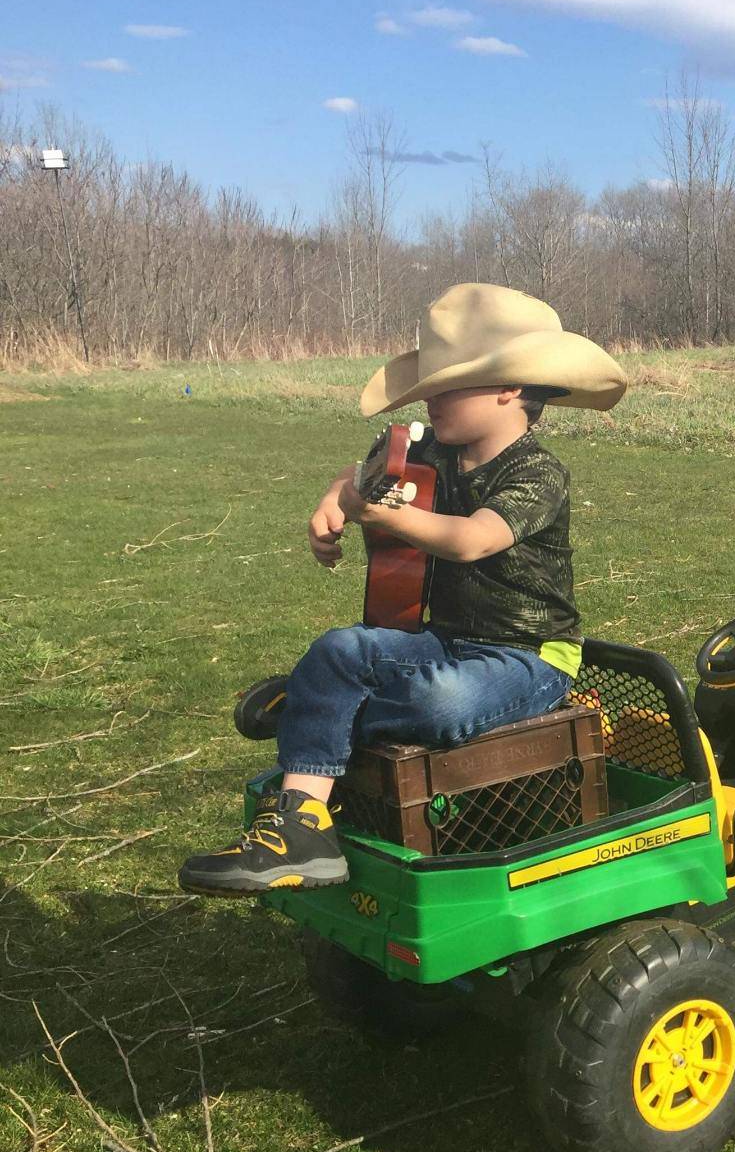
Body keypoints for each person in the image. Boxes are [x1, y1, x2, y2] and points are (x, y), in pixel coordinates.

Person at [178, 283, 626, 895]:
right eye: (429, 385)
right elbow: (354, 475)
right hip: (441, 640)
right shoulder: (426, 450)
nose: (431, 398)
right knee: (340, 648)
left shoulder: (536, 471)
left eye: (449, 384)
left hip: (527, 658)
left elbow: (472, 539)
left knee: (438, 706)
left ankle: (318, 708)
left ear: (511, 387)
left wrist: (387, 519)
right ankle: (301, 831)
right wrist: (334, 501)